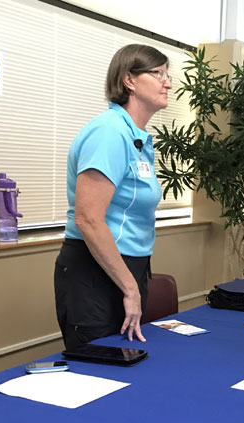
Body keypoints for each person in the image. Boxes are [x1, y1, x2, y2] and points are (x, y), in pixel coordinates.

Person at [54, 44, 171, 349]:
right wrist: (129, 288)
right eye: (158, 73)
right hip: (96, 270)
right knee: (99, 375)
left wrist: (132, 283)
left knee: (128, 365)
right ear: (128, 80)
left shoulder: (136, 137)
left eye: (167, 74)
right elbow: (88, 218)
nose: (167, 82)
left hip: (126, 268)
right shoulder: (108, 133)